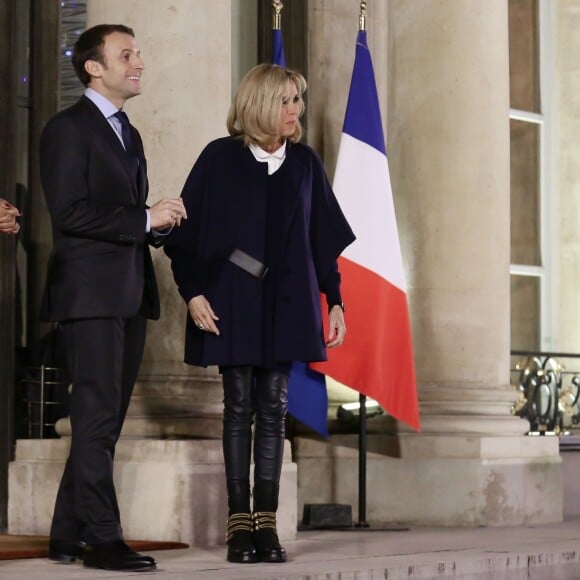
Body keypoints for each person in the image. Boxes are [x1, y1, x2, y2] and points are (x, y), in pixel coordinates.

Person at [164, 63, 355, 564]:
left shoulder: (306, 163)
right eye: (285, 101)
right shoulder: (218, 158)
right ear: (259, 105)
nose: (295, 111)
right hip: (231, 300)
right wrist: (192, 293)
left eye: (297, 101)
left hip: (289, 303)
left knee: (274, 410)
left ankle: (267, 526)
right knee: (238, 407)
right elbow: (183, 237)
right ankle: (238, 527)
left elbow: (323, 242)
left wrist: (335, 301)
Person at [39, 24, 187, 572]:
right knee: (97, 422)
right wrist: (144, 217)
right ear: (93, 68)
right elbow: (69, 213)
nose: (139, 61)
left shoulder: (128, 132)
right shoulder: (66, 130)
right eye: (126, 54)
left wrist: (158, 224)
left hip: (127, 295)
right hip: (89, 297)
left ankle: (65, 534)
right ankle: (102, 539)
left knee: (105, 422)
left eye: (138, 52)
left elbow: (122, 219)